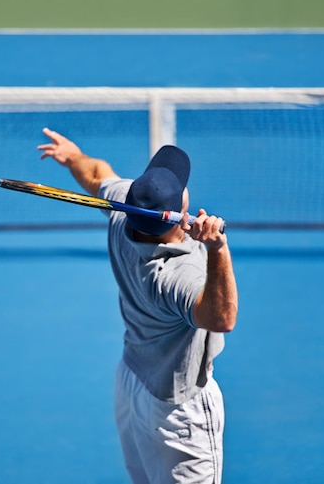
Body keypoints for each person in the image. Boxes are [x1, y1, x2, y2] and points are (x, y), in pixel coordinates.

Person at [38, 127, 238, 484]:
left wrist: (72, 157)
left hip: (131, 381)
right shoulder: (176, 274)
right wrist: (217, 249)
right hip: (177, 411)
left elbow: (97, 174)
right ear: (178, 212)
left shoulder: (124, 211)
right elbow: (221, 317)